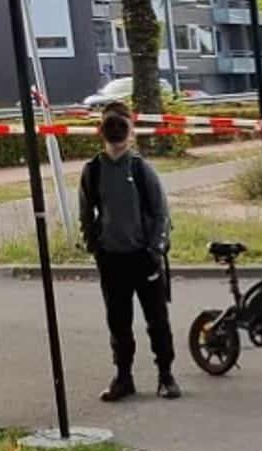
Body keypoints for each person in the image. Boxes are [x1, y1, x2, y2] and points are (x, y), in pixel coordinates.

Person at [79, 101, 180, 402]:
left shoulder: (140, 168)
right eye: (110, 125)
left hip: (143, 258)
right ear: (101, 130)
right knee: (118, 324)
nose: (116, 132)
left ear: (132, 131)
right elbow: (85, 214)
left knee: (157, 320)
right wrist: (95, 248)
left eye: (121, 125)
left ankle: (166, 375)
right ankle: (123, 378)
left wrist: (154, 250)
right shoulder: (93, 171)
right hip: (112, 260)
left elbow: (161, 213)